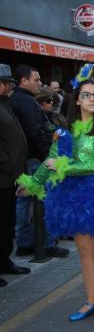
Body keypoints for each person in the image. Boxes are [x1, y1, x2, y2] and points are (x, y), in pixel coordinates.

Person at [16, 68, 94, 321]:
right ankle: (92, 300)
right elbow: (54, 157)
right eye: (87, 95)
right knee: (84, 248)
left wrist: (65, 168)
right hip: (74, 194)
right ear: (77, 99)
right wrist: (34, 182)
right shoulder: (66, 129)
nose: (92, 99)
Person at [9, 65, 68, 258]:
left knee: (24, 202)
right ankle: (47, 244)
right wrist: (47, 157)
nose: (40, 83)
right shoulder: (26, 103)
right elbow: (36, 133)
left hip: (23, 160)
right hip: (36, 160)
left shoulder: (15, 100)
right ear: (23, 81)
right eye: (36, 79)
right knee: (43, 201)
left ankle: (25, 242)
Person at [0, 64, 30, 286]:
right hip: (3, 176)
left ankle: (4, 261)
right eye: (6, 82)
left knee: (6, 223)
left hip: (10, 178)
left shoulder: (5, 104)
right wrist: (8, 166)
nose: (10, 85)